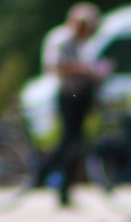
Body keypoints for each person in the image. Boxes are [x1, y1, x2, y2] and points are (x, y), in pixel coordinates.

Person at [37, 3, 109, 207]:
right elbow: (55, 65)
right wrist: (86, 71)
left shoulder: (79, 43)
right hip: (68, 96)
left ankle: (63, 189)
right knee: (68, 142)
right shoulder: (62, 39)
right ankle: (41, 173)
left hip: (78, 97)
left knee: (75, 144)